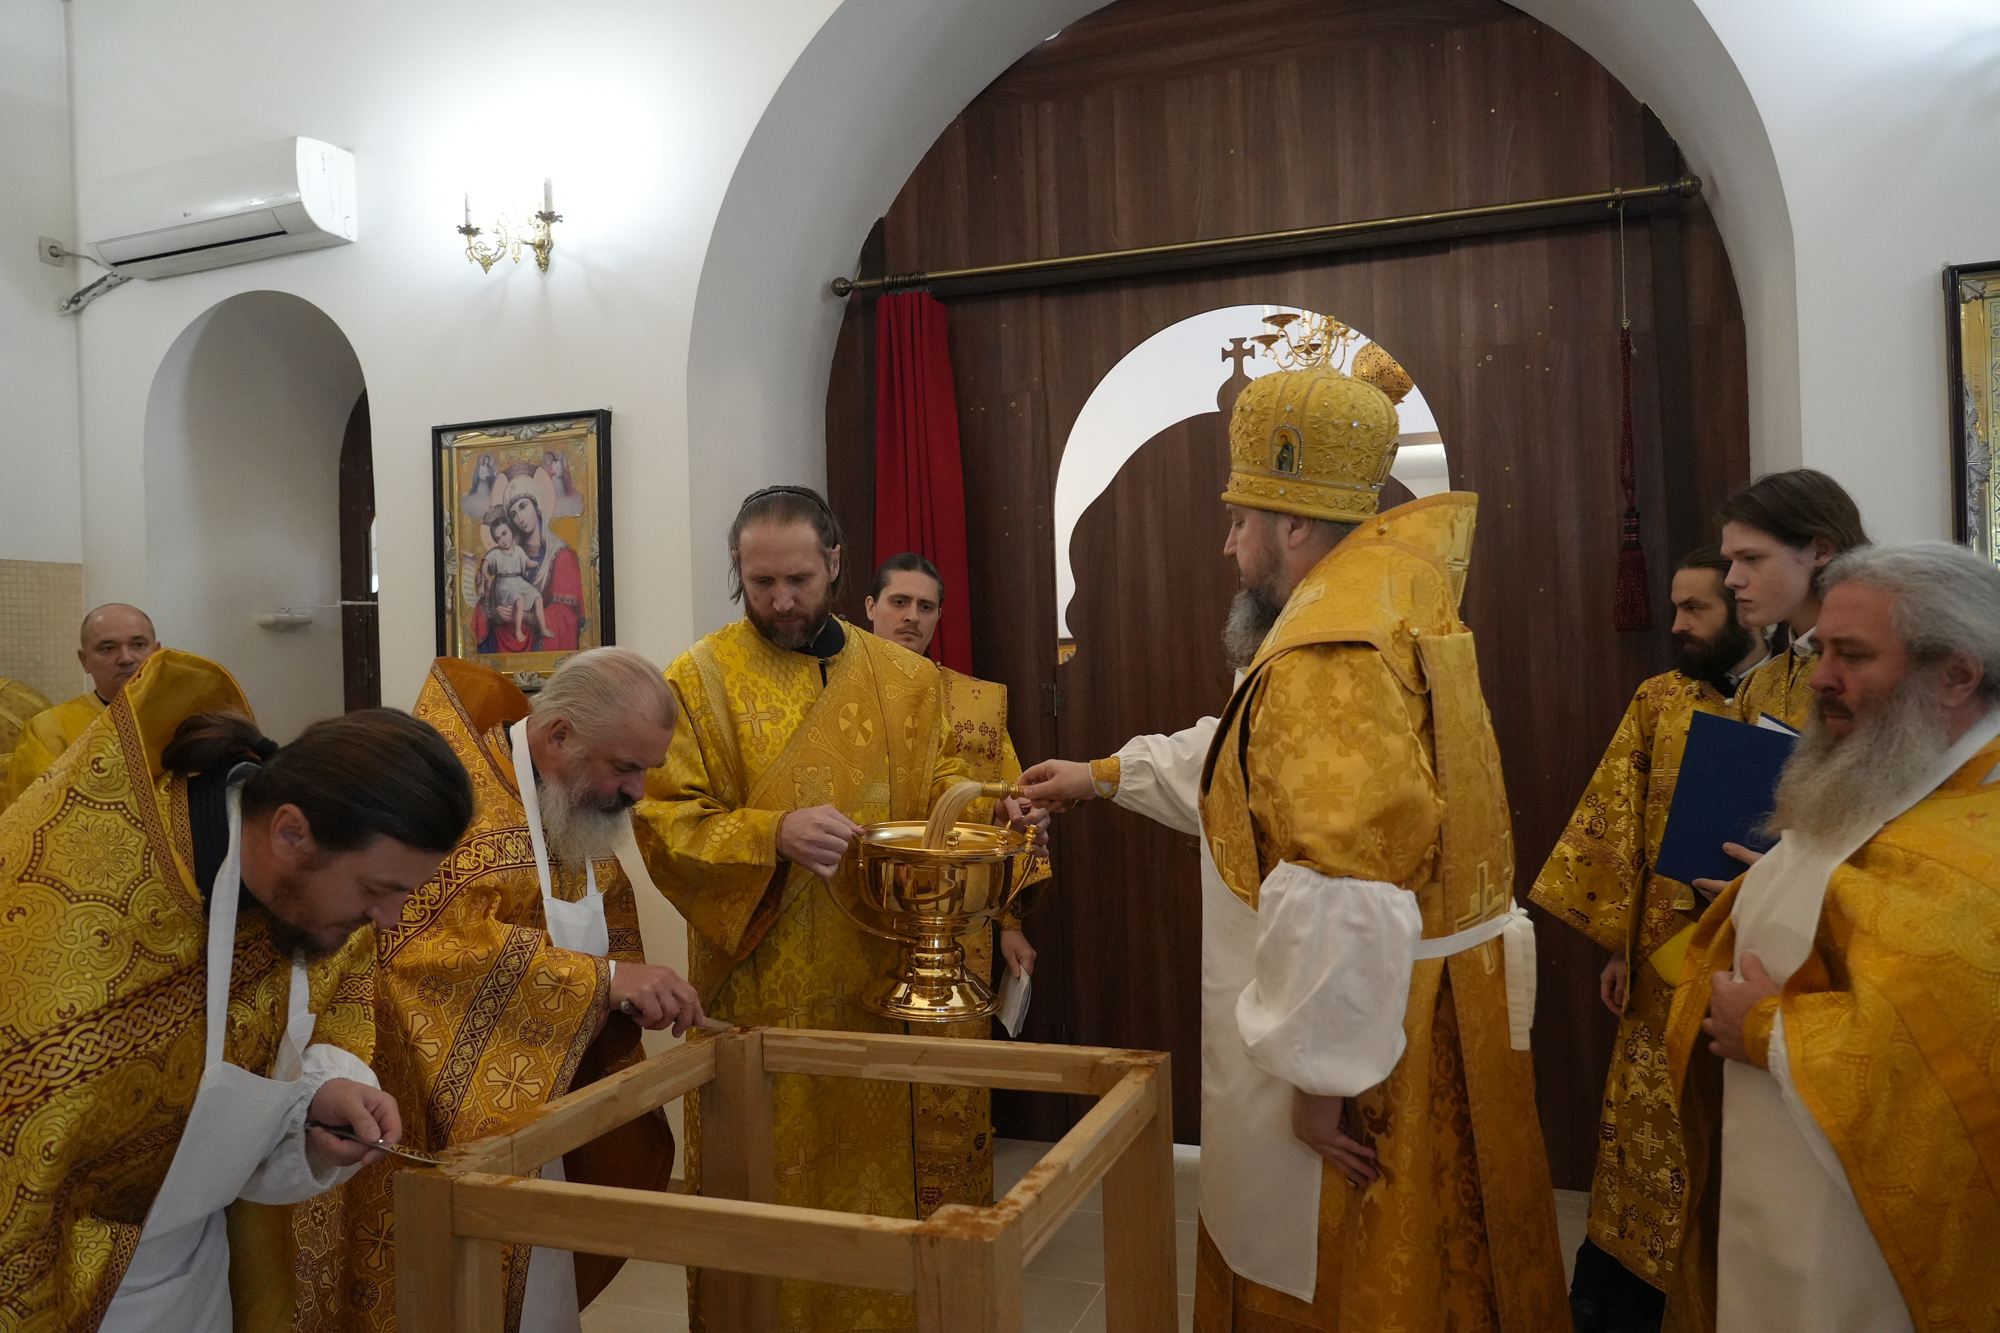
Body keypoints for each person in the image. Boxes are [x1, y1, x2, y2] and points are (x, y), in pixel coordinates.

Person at [1021, 352, 1568, 1330]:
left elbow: (1339, 874)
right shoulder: (1393, 594)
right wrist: (1101, 776)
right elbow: (1254, 763)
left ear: (1292, 524)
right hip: (1411, 1001)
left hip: (1364, 1030)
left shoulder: (1327, 647)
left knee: (1342, 1268)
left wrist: (1319, 1081)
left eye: (1238, 521)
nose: (1228, 545)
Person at [0, 648, 475, 1332]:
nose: (390, 920)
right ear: (290, 833)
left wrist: (321, 1097)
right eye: (377, 889)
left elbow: (302, 1020)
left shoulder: (313, 897)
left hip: (198, 1269)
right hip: (70, 1282)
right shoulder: (71, 916)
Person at [636, 485, 991, 1331]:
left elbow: (946, 792)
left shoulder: (907, 679)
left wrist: (993, 807)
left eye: (798, 579)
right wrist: (772, 832)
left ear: (836, 562)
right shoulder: (699, 679)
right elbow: (664, 821)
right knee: (766, 1204)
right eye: (760, 582)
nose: (781, 600)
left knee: (873, 1209)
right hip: (760, 996)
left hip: (878, 988)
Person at [295, 647, 700, 1333]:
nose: (637, 790)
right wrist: (602, 980)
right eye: (626, 767)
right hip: (422, 1116)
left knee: (541, 1289)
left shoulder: (569, 802)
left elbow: (604, 914)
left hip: (542, 1107)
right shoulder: (456, 796)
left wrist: (628, 991)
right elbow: (422, 949)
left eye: (646, 769)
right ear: (560, 734)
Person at [1664, 541, 2000, 1332]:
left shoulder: (1980, 835)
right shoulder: (1882, 775)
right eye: (1821, 651)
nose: (1819, 678)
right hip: (1785, 1184)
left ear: (1956, 675)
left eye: (1853, 655)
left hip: (1878, 1241)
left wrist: (1768, 1028)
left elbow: (1967, 1042)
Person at [1527, 546, 1767, 1332]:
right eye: (1675, 607)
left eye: (1696, 608)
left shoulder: (1797, 695)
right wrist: (1617, 943)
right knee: (1643, 1141)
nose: (1678, 624)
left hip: (1760, 965)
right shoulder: (1659, 699)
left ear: (1742, 610)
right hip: (1661, 971)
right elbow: (1618, 826)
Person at [864, 551, 1045, 1214]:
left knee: (951, 1082)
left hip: (957, 926)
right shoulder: (836, 698)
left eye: (926, 606)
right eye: (899, 602)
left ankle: (954, 1224)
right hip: (862, 918)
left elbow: (1011, 813)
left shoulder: (975, 703)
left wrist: (1011, 922)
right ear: (870, 608)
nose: (911, 617)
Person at [1717, 469, 1870, 729]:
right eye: (1730, 561)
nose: (1732, 580)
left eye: (1751, 558)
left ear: (1820, 551)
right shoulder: (1759, 685)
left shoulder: (1884, 671)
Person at [3, 602, 160, 807]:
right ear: (84, 660)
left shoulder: (188, 717)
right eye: (108, 648)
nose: (126, 658)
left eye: (138, 645)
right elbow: (29, 814)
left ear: (157, 652)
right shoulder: (49, 729)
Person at [472, 464, 583, 654]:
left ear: (537, 504)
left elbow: (567, 616)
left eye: (523, 507)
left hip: (539, 643)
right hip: (505, 637)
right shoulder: (509, 554)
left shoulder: (561, 555)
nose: (520, 518)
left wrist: (525, 616)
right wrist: (488, 597)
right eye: (513, 514)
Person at [480, 505, 552, 645]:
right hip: (505, 585)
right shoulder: (495, 553)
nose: (503, 540)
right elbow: (485, 562)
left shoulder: (518, 550)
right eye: (498, 538)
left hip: (518, 582)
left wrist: (539, 562)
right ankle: (518, 630)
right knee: (519, 600)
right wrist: (484, 571)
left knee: (537, 597)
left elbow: (527, 563)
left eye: (504, 533)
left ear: (511, 531)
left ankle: (543, 628)